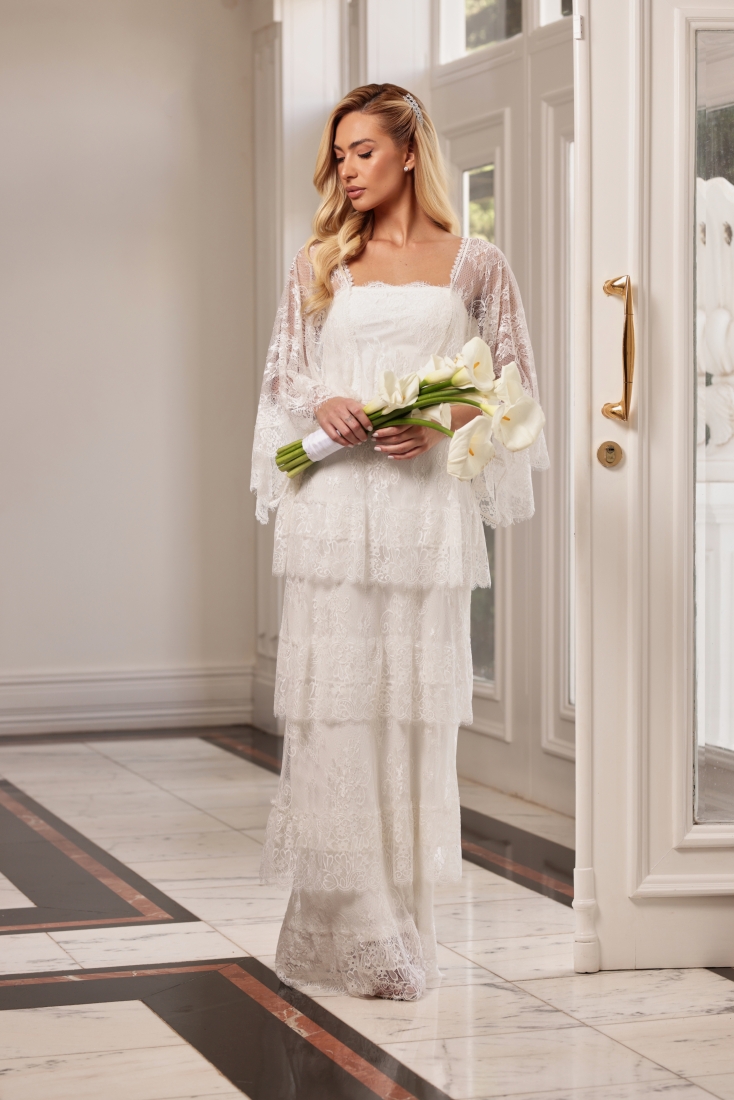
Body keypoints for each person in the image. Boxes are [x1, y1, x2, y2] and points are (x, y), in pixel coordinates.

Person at [250, 83, 547, 1000]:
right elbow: (284, 381)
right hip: (336, 512)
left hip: (421, 517)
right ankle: (359, 925)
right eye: (339, 155)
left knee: (406, 714)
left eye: (363, 151)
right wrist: (326, 403)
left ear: (410, 152)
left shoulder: (477, 264)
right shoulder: (321, 262)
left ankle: (400, 919)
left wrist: (436, 417)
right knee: (337, 712)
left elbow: (512, 391)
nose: (347, 170)